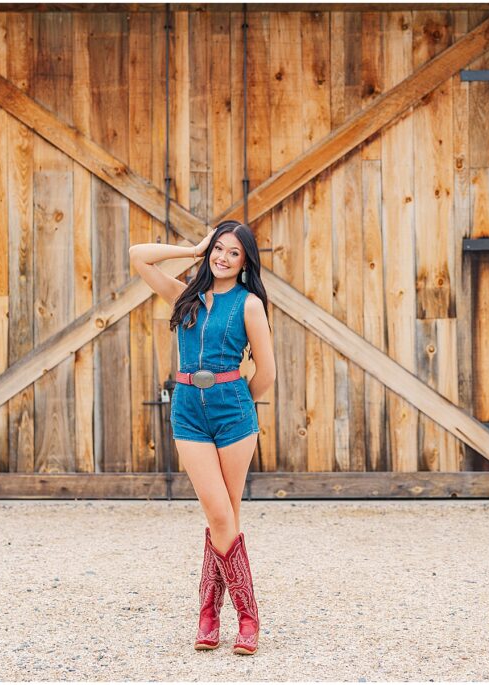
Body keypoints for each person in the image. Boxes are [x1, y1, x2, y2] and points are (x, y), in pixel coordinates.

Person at [128, 220, 275, 655]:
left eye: (234, 253)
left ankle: (214, 616)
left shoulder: (249, 305)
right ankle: (244, 617)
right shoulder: (184, 295)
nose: (223, 258)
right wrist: (192, 250)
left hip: (234, 411)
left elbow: (266, 371)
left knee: (225, 517)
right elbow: (138, 254)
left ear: (245, 261)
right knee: (219, 512)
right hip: (189, 410)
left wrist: (239, 402)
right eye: (219, 249)